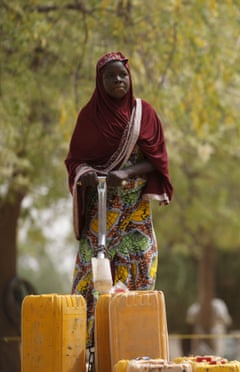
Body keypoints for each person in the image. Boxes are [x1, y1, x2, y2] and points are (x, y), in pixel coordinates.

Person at [65, 51, 173, 351]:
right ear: (100, 82)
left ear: (130, 78)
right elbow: (75, 160)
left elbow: (158, 160)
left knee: (141, 263)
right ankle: (86, 345)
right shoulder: (89, 117)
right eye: (110, 76)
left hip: (135, 207)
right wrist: (86, 174)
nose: (118, 80)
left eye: (122, 75)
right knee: (91, 273)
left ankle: (134, 345)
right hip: (100, 208)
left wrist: (125, 172)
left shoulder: (144, 113)